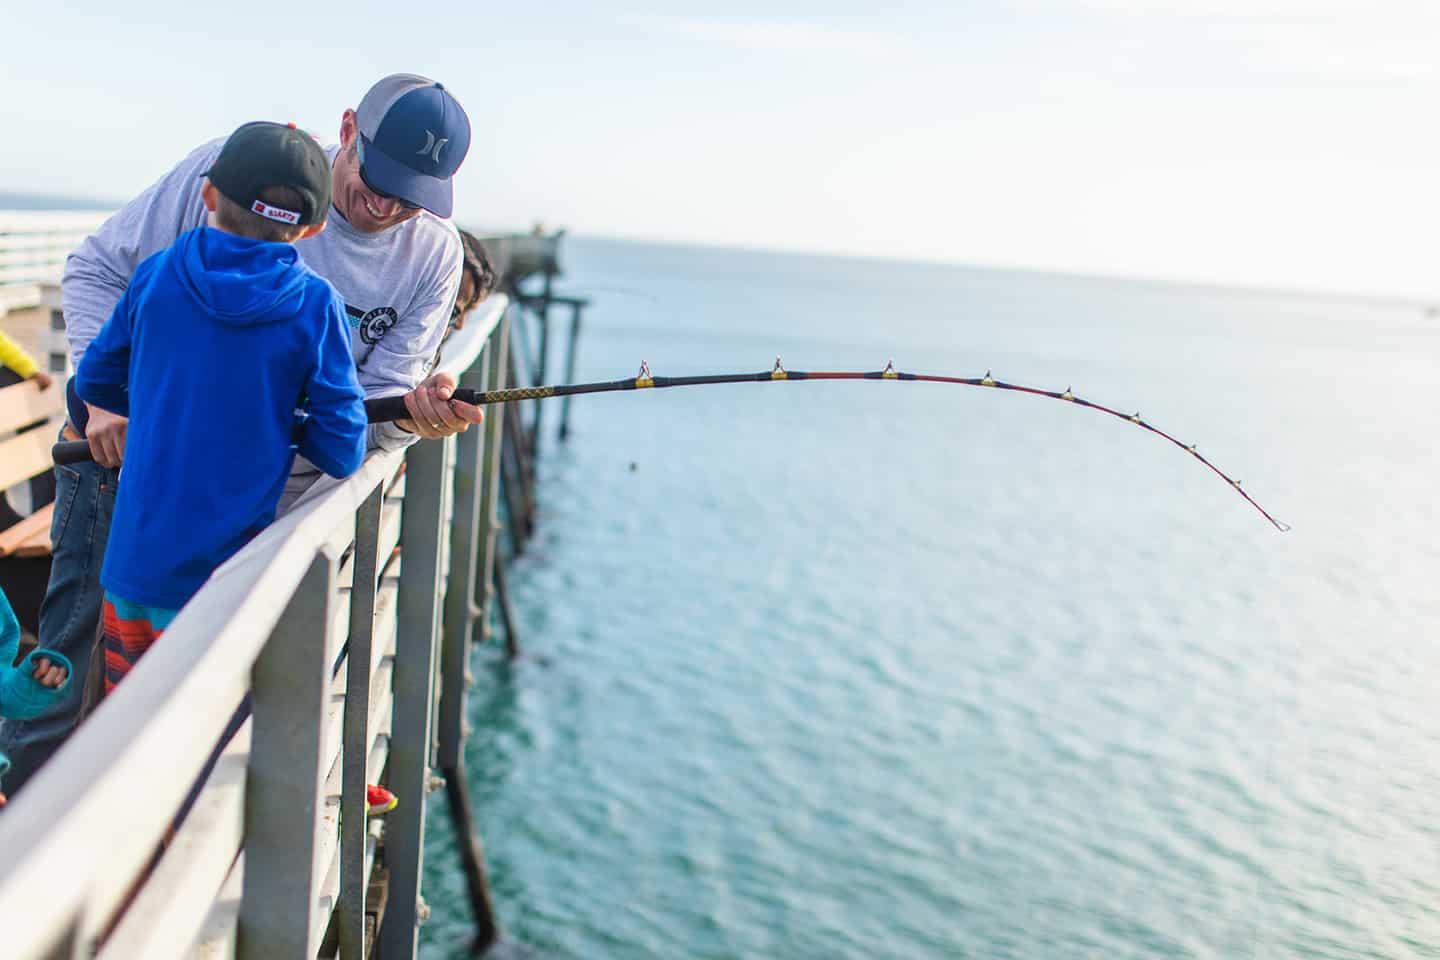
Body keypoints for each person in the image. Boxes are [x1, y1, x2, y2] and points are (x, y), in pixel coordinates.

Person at [0, 74, 482, 795]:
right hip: (119, 464)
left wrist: (413, 419)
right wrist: (102, 407)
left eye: (410, 198)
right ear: (348, 128)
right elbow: (97, 268)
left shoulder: (434, 254)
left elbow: (382, 407)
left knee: (194, 684)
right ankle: (32, 821)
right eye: (377, 179)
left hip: (258, 519)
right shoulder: (238, 169)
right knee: (73, 647)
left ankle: (139, 831)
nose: (385, 207)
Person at [74, 120, 368, 693]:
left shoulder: (155, 276)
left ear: (207, 194)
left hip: (137, 570)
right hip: (230, 581)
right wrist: (290, 420)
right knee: (204, 743)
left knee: (131, 733)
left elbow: (97, 379)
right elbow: (343, 447)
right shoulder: (315, 306)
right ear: (311, 228)